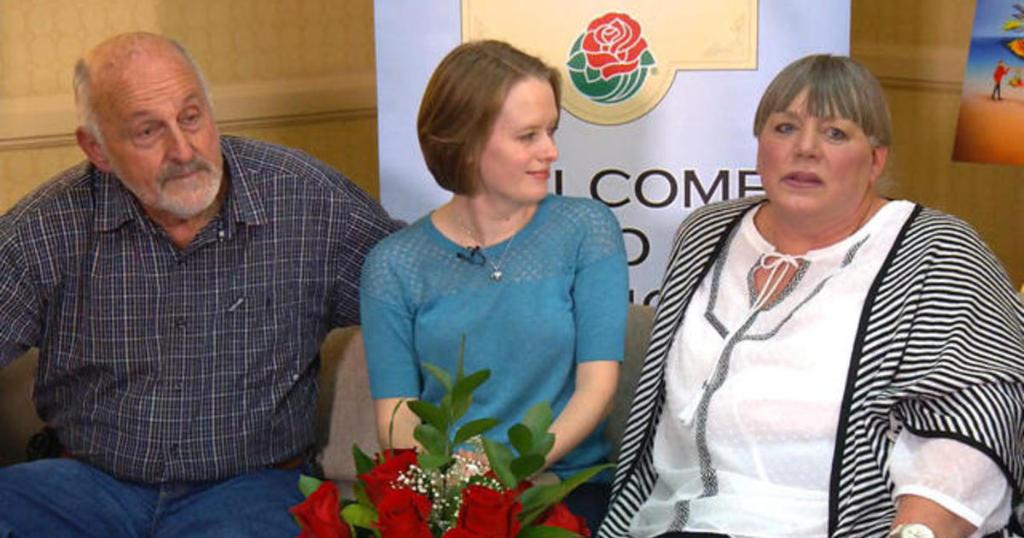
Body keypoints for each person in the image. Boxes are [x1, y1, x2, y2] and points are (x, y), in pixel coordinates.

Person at [600, 54, 1024, 538]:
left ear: (875, 160)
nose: (805, 149)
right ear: (760, 145)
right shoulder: (706, 232)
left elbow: (976, 417)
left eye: (835, 133)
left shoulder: (936, 250)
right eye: (784, 128)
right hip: (674, 519)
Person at [0, 32, 401, 536]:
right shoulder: (46, 226)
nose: (183, 150)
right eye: (148, 131)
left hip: (250, 490)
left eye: (191, 117)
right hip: (83, 488)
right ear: (97, 149)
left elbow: (418, 289)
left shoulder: (306, 200)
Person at [360, 40, 629, 532]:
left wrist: (507, 470)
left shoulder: (586, 229)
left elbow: (598, 390)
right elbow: (395, 418)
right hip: (447, 492)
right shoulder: (394, 263)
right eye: (528, 136)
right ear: (465, 143)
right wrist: (453, 481)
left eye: (551, 130)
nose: (551, 151)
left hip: (562, 485)